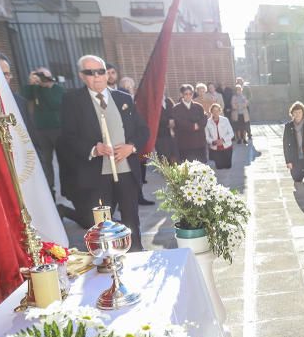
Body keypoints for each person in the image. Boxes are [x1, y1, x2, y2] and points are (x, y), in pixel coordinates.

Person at [58, 54, 149, 249]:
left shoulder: (123, 98)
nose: (97, 76)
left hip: (125, 171)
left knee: (131, 219)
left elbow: (143, 130)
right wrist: (93, 149)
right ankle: (109, 261)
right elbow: (68, 137)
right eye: (90, 72)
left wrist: (130, 147)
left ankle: (136, 252)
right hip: (96, 174)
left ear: (107, 74)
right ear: (82, 76)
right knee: (101, 225)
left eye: (100, 71)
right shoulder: (72, 100)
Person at [23, 67, 64, 199]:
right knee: (46, 161)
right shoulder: (35, 89)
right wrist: (31, 83)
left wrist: (46, 86)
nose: (42, 78)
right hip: (41, 130)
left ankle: (67, 189)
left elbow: (54, 103)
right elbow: (24, 97)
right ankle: (49, 189)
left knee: (64, 161)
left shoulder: (57, 89)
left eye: (45, 75)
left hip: (58, 130)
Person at [171, 84, 207, 162]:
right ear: (181, 94)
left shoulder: (198, 107)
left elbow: (204, 119)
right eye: (186, 94)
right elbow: (179, 122)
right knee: (187, 167)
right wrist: (194, 126)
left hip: (198, 142)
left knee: (200, 166)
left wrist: (198, 125)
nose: (188, 96)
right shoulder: (176, 108)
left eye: (190, 94)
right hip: (184, 143)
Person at [205, 103, 234, 169]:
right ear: (211, 111)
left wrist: (223, 140)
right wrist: (213, 142)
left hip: (227, 147)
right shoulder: (207, 122)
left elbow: (231, 133)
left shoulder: (225, 120)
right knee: (219, 167)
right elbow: (206, 137)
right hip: (215, 149)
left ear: (220, 111)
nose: (216, 112)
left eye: (217, 110)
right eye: (214, 111)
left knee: (228, 167)